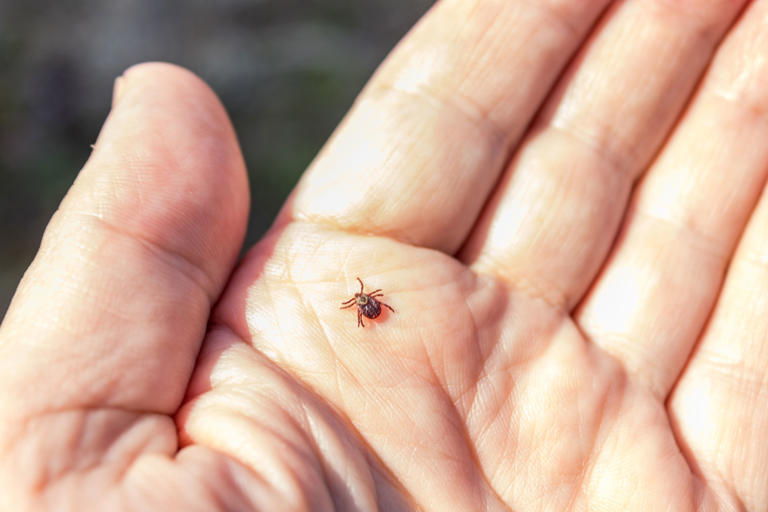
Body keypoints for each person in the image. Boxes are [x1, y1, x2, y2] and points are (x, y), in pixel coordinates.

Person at [1, 0, 767, 509]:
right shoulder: (366, 308)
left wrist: (364, 306)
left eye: (363, 304)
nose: (364, 307)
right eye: (363, 305)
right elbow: (371, 309)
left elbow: (369, 308)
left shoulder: (363, 304)